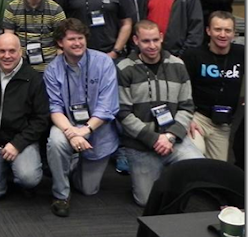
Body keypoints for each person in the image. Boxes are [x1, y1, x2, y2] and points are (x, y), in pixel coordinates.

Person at [116, 19, 204, 207]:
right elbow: (123, 114)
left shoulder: (177, 65)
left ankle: (171, 179)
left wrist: (170, 136)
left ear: (162, 37)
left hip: (174, 140)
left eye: (156, 40)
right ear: (136, 40)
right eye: (146, 41)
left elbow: (187, 106)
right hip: (141, 145)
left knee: (199, 167)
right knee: (146, 201)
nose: (152, 46)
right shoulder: (124, 68)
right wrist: (154, 139)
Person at [43, 18, 119, 217]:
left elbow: (107, 106)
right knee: (56, 141)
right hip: (67, 125)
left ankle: (73, 164)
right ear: (60, 43)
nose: (77, 43)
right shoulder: (52, 70)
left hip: (98, 127)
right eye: (71, 39)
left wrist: (85, 130)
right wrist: (71, 133)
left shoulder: (104, 62)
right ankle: (61, 194)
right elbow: (55, 108)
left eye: (80, 38)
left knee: (88, 189)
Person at [0, 33, 50, 201]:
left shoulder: (33, 78)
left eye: (12, 51)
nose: (7, 56)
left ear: (20, 51)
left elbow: (41, 119)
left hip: (21, 141)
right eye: (2, 51)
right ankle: (5, 171)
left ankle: (17, 170)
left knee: (28, 178)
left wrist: (17, 144)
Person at [182, 11, 244, 161]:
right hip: (197, 118)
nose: (223, 34)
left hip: (223, 122)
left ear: (234, 33)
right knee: (194, 157)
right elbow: (180, 88)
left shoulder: (241, 53)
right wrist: (186, 118)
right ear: (208, 31)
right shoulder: (193, 55)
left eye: (227, 30)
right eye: (218, 29)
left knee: (218, 168)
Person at [3, 0, 66, 72]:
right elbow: (8, 39)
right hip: (20, 66)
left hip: (49, 67)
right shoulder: (12, 8)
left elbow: (62, 43)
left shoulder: (56, 9)